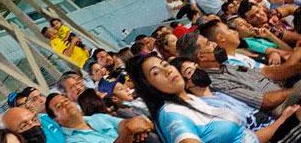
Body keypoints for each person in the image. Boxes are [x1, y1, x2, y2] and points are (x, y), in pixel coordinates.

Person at [127, 54, 301, 143]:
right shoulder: (170, 113)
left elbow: (247, 138)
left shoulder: (192, 102)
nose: (167, 70)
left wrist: (282, 121)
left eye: (165, 64)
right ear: (149, 87)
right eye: (156, 73)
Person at [176, 31, 294, 112]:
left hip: (283, 92)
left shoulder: (225, 66)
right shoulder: (215, 81)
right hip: (281, 106)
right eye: (209, 43)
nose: (215, 44)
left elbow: (267, 73)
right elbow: (265, 101)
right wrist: (293, 91)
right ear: (201, 56)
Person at [45, 92, 154, 143]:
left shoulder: (97, 117)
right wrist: (128, 132)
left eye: (66, 101)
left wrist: (136, 126)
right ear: (56, 120)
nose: (66, 104)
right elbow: (127, 129)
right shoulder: (72, 141)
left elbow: (123, 124)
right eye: (59, 106)